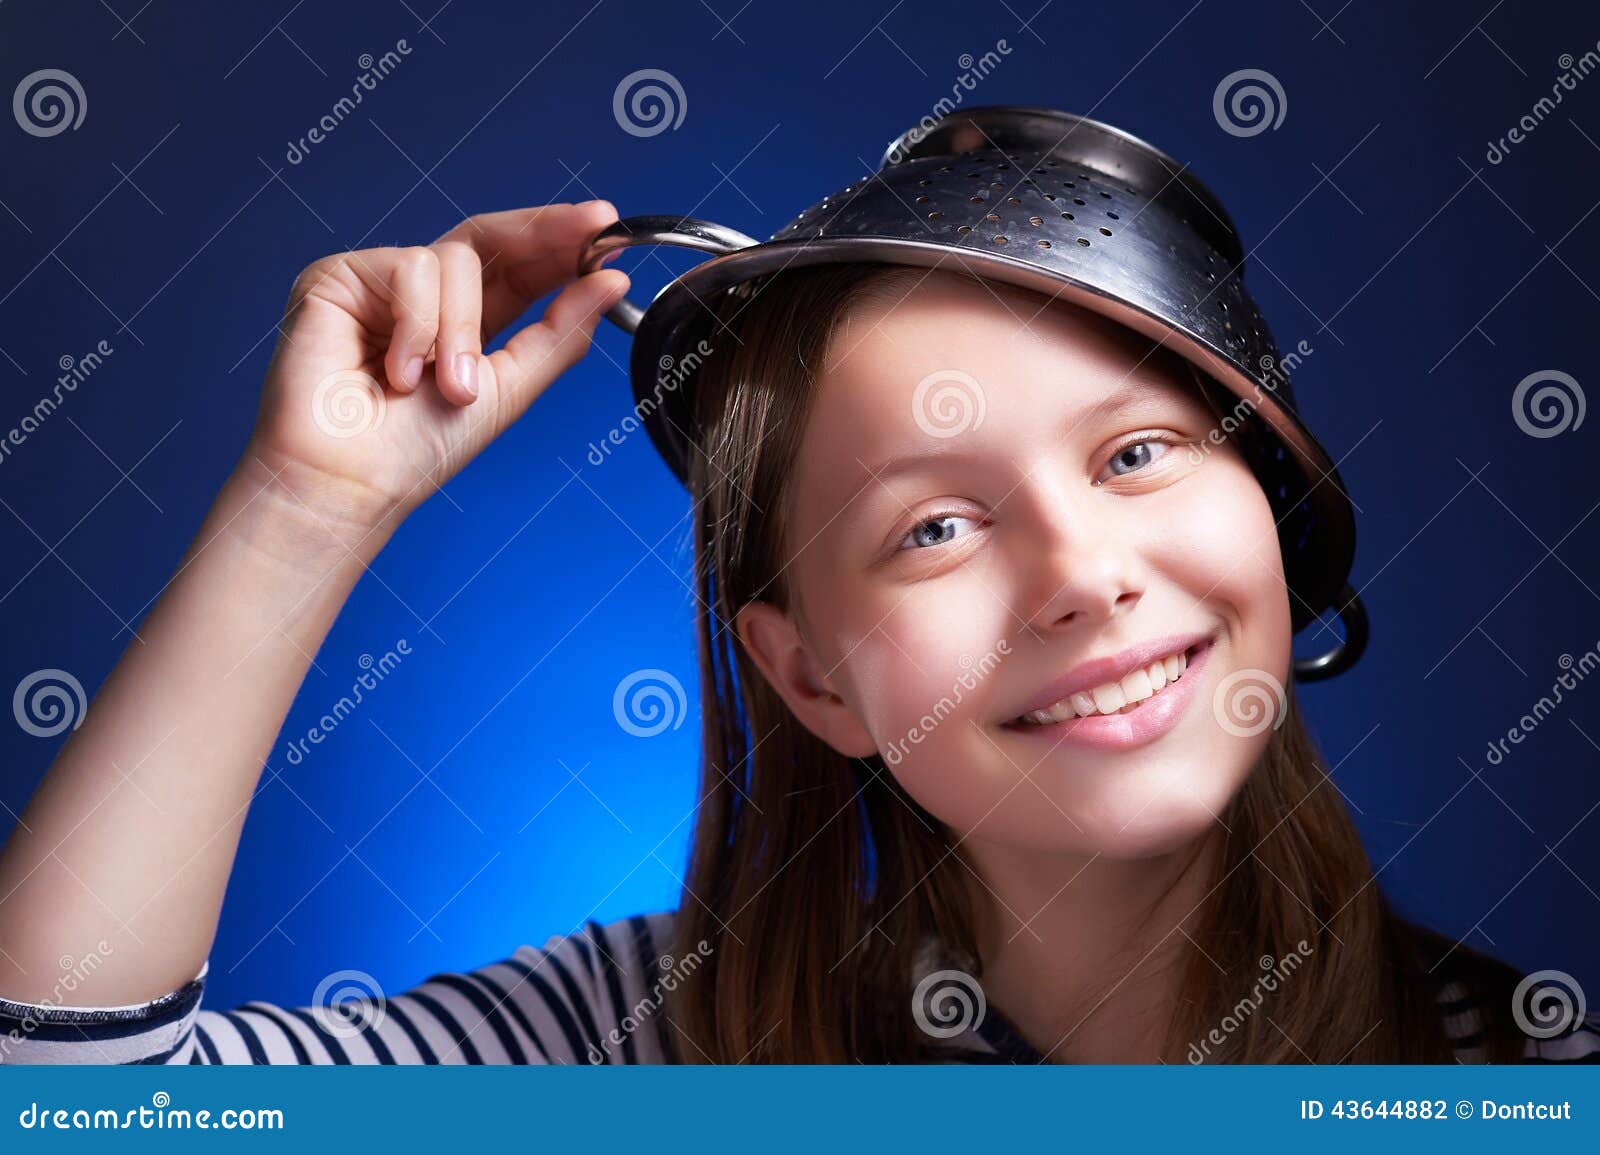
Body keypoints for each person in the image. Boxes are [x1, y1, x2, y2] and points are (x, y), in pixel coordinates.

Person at [0, 200, 1594, 1065]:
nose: (1083, 574)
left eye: (1134, 455)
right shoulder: (624, 1053)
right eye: (935, 528)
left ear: (1274, 515)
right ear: (809, 672)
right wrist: (304, 509)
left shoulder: (1525, 1078)